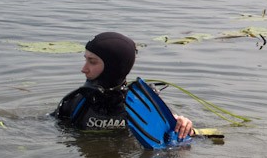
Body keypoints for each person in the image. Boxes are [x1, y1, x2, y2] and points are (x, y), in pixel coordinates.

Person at [53, 32, 193, 139]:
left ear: (112, 66)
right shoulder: (75, 102)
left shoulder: (143, 103)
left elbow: (169, 131)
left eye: (92, 61)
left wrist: (182, 124)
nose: (84, 69)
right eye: (86, 60)